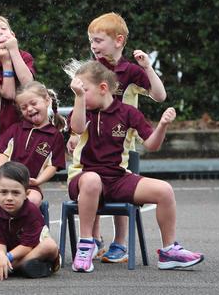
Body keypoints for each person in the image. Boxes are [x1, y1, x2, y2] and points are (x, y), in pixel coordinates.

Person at [66, 60, 203, 273]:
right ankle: (86, 245)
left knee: (164, 190)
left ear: (103, 88)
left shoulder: (128, 113)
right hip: (84, 178)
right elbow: (76, 127)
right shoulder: (83, 109)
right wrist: (80, 97)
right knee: (92, 180)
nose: (79, 93)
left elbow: (151, 145)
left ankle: (169, 251)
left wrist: (163, 126)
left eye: (84, 89)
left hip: (117, 178)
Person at [69, 12, 168, 263]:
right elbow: (80, 107)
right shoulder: (92, 70)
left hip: (124, 138)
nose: (93, 45)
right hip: (94, 137)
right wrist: (73, 133)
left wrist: (147, 67)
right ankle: (93, 238)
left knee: (120, 184)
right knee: (92, 182)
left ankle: (121, 242)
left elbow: (159, 96)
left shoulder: (130, 71)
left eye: (99, 40)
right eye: (91, 40)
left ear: (119, 41)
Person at [0, 81, 66, 207]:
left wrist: (38, 181)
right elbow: (3, 154)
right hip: (4, 183)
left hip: (29, 186)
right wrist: (2, 175)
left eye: (33, 103)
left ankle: (24, 226)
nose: (29, 109)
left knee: (34, 199)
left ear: (47, 100)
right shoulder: (15, 129)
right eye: (23, 107)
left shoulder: (56, 136)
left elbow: (53, 166)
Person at [0, 162, 60, 280]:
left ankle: (9, 267)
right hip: (9, 251)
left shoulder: (31, 211)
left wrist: (6, 257)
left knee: (50, 245)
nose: (9, 198)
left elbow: (27, 246)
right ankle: (11, 266)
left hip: (32, 251)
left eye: (16, 193)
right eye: (4, 192)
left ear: (26, 194)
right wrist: (0, 255)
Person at [0, 15, 35, 150]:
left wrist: (14, 51)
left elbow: (28, 84)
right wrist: (6, 62)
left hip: (27, 131)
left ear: (12, 35)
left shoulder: (25, 57)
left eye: (4, 29)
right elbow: (9, 94)